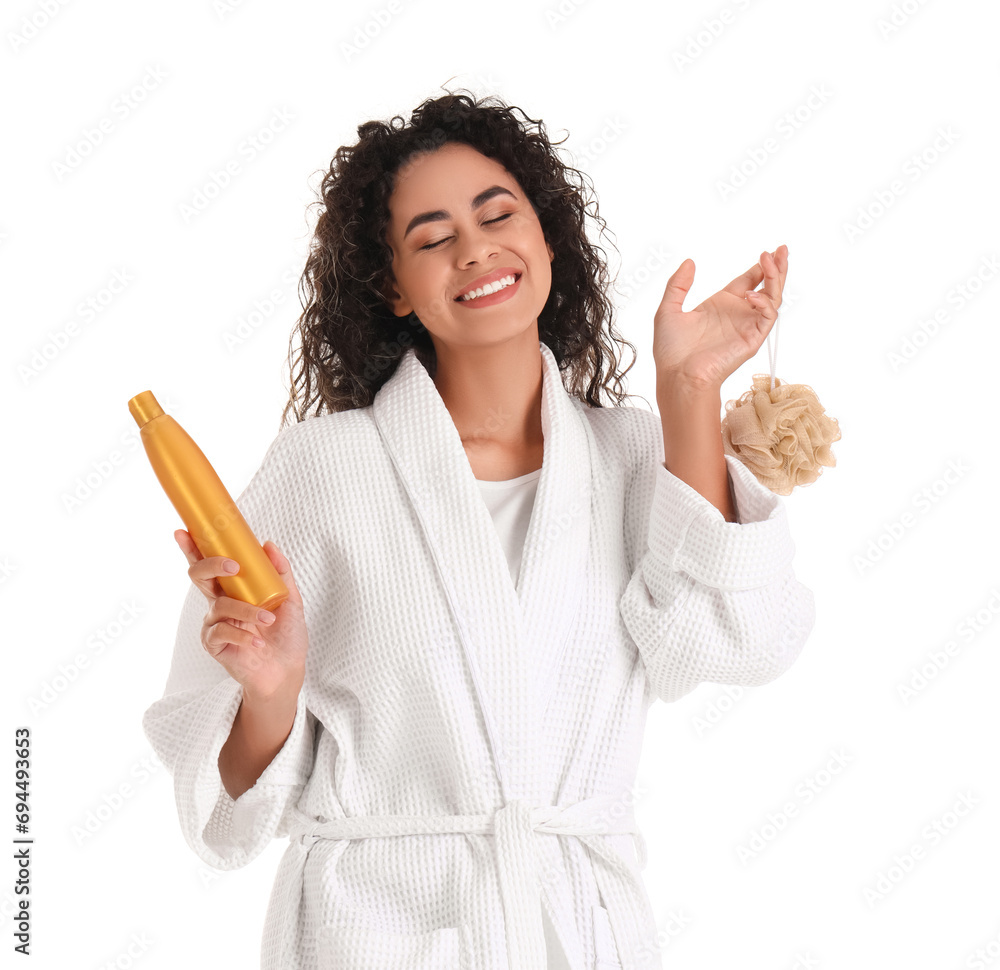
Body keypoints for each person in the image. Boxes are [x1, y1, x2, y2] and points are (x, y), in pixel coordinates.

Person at [142, 88, 816, 970]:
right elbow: (224, 813)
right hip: (377, 927)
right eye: (432, 238)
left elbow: (735, 644)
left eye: (499, 214)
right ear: (393, 286)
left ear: (546, 237)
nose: (476, 249)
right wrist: (272, 690)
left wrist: (688, 390)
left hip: (576, 927)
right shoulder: (321, 470)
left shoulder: (629, 456)